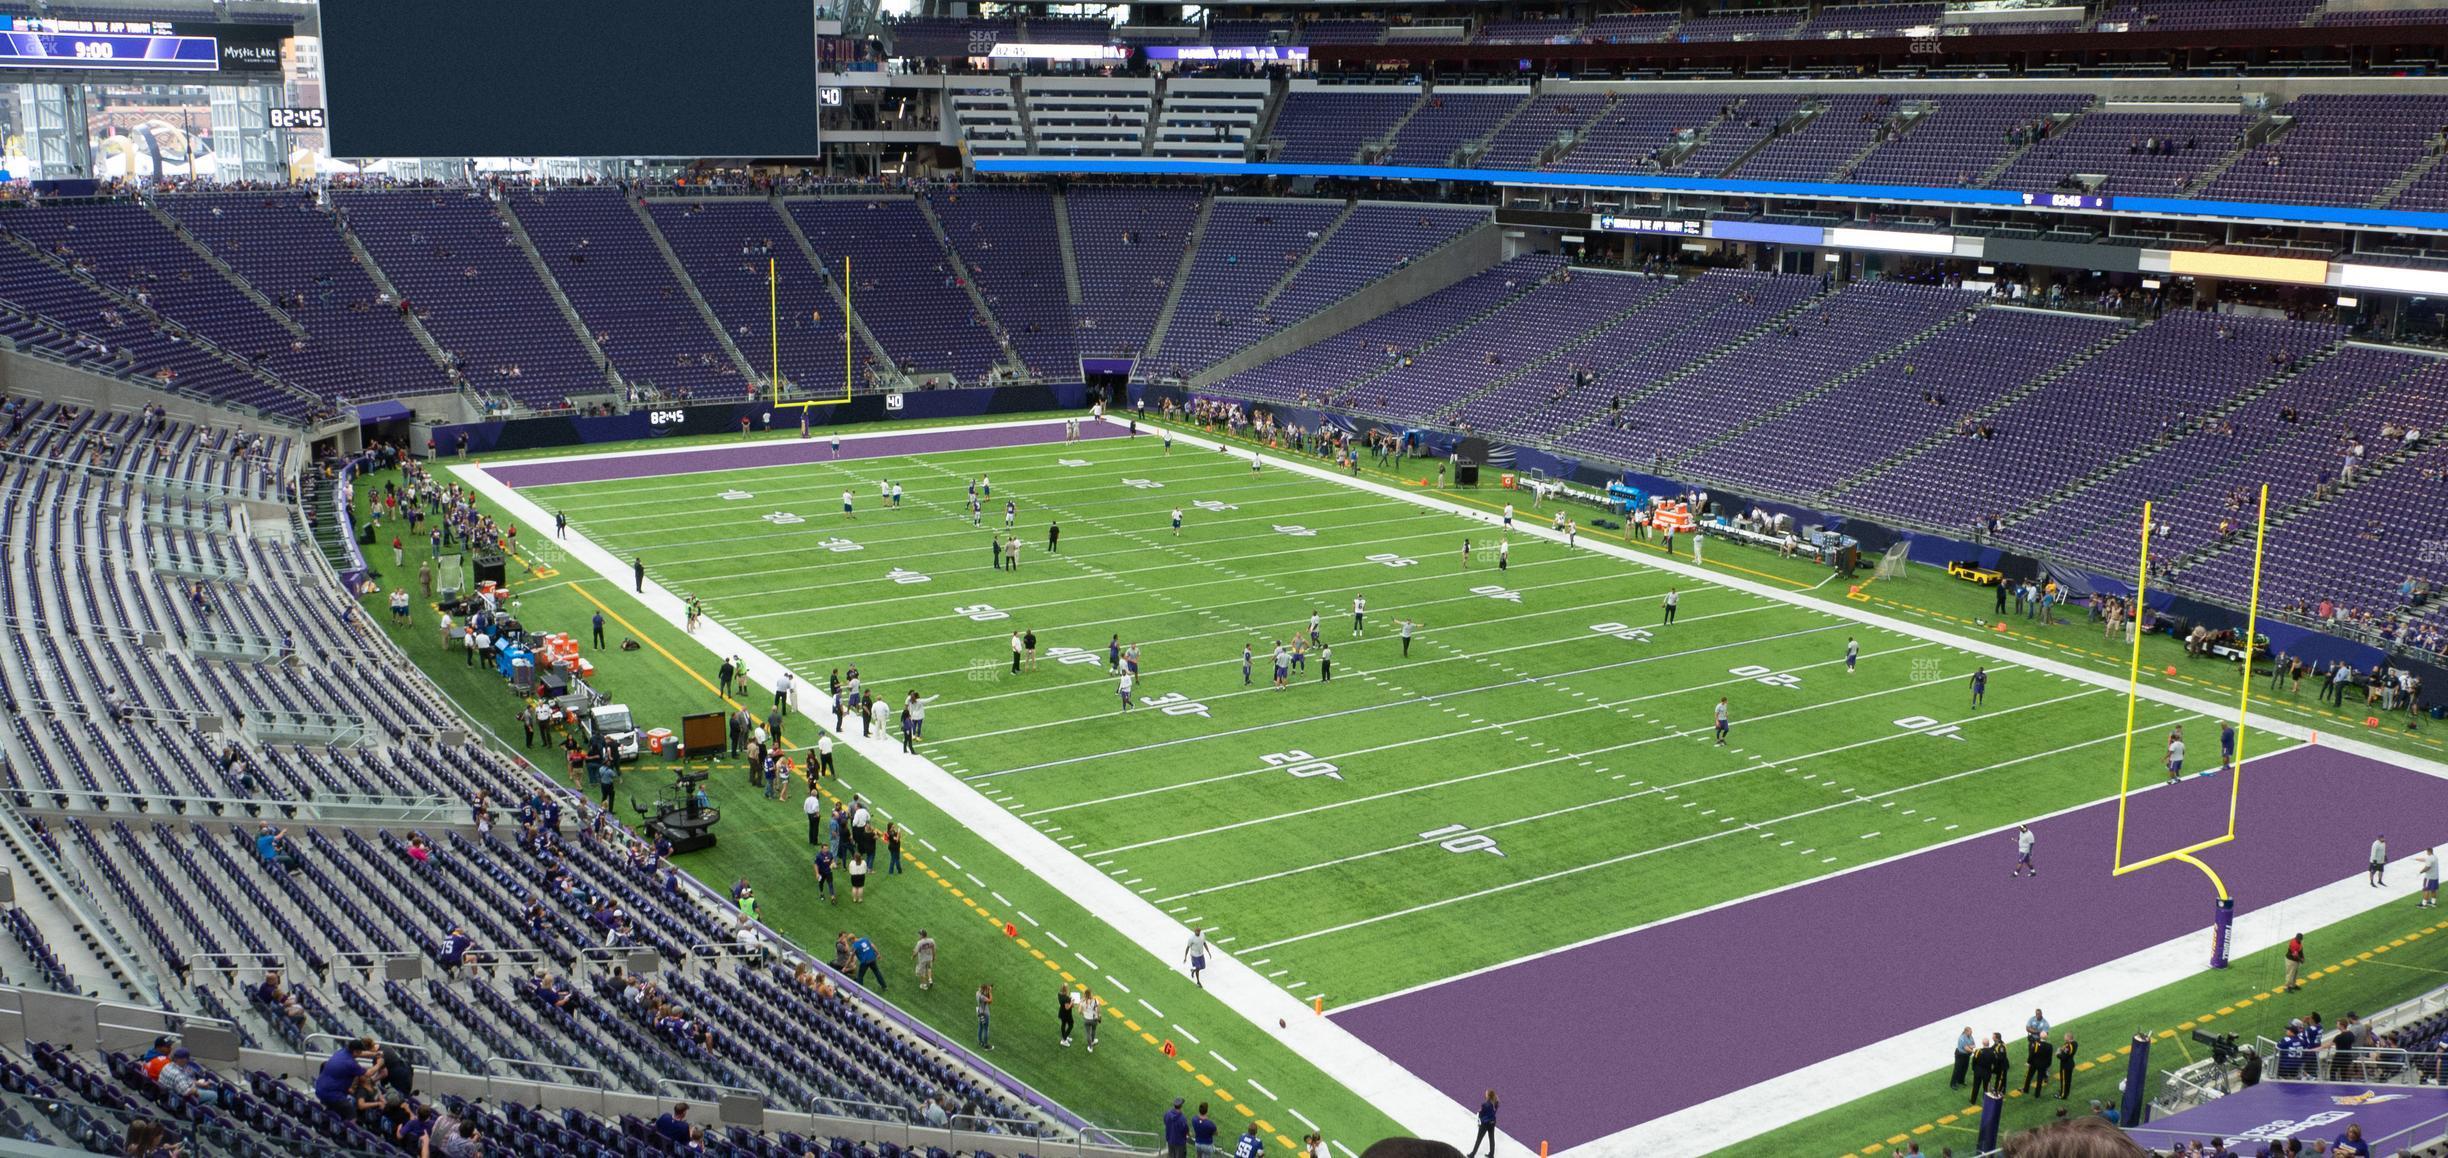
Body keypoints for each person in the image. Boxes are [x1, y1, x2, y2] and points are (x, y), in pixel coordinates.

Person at [1464, 1092, 1498, 1158]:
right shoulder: (1496, 1103)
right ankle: (1491, 1154)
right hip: (1492, 1123)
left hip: (1485, 1124)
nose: (1485, 1094)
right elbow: (1492, 1112)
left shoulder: (1484, 1105)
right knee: (1491, 1138)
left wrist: (1480, 1112)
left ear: (1488, 1096)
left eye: (1486, 1093)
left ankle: (1472, 1154)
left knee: (1479, 1139)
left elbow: (1482, 1115)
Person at [1081, 986, 1103, 1052]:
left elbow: (1080, 1011)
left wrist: (1084, 1014)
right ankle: (1092, 1041)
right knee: (1093, 1030)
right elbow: (1098, 1010)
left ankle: (1090, 1047)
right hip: (1094, 1019)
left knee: (1088, 1033)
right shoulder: (1095, 1000)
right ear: (1090, 994)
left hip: (1086, 1019)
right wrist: (1099, 1017)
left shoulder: (1083, 1001)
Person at [976, 983, 994, 1050]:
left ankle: (980, 1041)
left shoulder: (977, 993)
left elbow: (984, 996)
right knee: (986, 1029)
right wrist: (990, 992)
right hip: (985, 1014)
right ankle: (986, 1045)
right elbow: (990, 1001)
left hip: (979, 1012)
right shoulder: (982, 997)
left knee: (980, 1027)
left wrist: (987, 991)